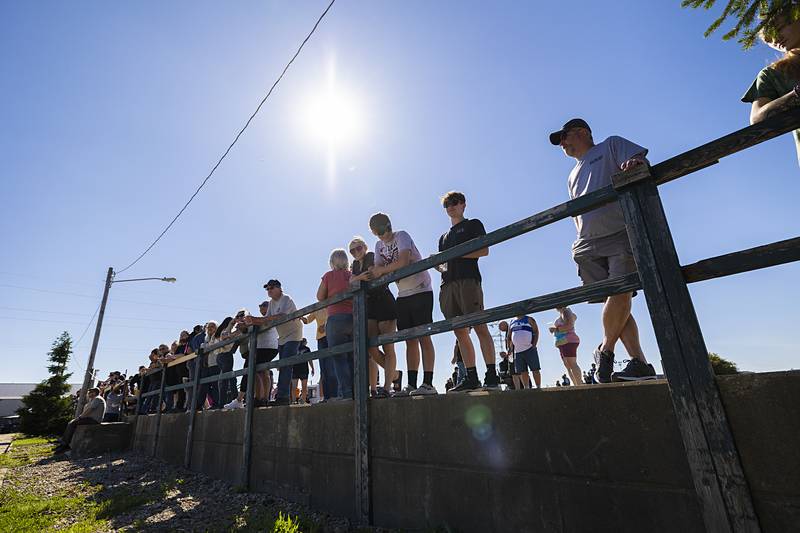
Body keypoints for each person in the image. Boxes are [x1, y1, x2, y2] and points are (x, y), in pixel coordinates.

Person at [549, 117, 656, 383]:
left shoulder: (610, 145)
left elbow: (638, 162)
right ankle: (639, 363)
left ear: (582, 132)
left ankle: (604, 351)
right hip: (587, 242)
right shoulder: (572, 174)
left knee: (620, 292)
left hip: (619, 231)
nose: (562, 143)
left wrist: (635, 164)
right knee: (617, 301)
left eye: (565, 136)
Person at [364, 213, 437, 396]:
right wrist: (382, 270)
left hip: (421, 289)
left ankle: (428, 383)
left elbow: (403, 261)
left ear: (389, 225)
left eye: (383, 230)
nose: (382, 235)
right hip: (402, 294)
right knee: (409, 340)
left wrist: (382, 269)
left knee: (423, 337)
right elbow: (377, 272)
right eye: (377, 232)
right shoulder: (379, 246)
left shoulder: (402, 235)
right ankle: (411, 385)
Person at [437, 191, 499, 392]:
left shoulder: (473, 224)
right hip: (448, 285)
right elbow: (445, 264)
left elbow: (484, 250)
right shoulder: (443, 237)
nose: (451, 207)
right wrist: (438, 265)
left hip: (468, 281)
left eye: (454, 202)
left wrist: (458, 256)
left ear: (463, 204)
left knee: (480, 326)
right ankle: (471, 376)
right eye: (447, 204)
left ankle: (492, 375)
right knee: (459, 331)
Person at [742, 14, 800, 165]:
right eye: (768, 40)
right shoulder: (772, 74)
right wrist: (796, 94)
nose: (775, 40)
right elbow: (757, 119)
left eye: (779, 29)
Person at [349, 236, 401, 398]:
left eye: (358, 248)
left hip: (384, 301)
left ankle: (386, 388)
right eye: (352, 250)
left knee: (387, 346)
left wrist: (358, 278)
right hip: (369, 306)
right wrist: (358, 278)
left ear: (365, 247)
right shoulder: (355, 265)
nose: (356, 252)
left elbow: (372, 274)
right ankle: (395, 375)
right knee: (371, 347)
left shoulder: (372, 256)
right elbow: (351, 281)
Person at [244, 280, 303, 406]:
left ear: (279, 288)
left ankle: (283, 397)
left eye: (271, 288)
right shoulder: (271, 303)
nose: (269, 291)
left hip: (293, 335)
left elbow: (280, 316)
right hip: (281, 337)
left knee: (286, 365)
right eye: (267, 289)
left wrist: (256, 320)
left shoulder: (286, 299)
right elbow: (267, 321)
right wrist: (251, 322)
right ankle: (281, 397)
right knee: (282, 366)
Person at [317, 249, 355, 401]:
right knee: (353, 356)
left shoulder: (328, 276)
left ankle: (345, 394)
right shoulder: (352, 275)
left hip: (335, 319)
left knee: (339, 358)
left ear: (332, 262)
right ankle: (356, 391)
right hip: (353, 318)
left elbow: (320, 297)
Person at [55, 387, 105, 453]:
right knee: (72, 423)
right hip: (90, 419)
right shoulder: (94, 399)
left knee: (72, 424)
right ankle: (64, 442)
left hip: (93, 420)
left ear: (94, 393)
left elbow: (90, 410)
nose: (88, 394)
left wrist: (80, 417)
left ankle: (65, 445)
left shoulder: (97, 399)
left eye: (90, 392)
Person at [302, 308, 334, 400]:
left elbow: (335, 314)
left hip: (331, 334)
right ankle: (326, 397)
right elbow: (307, 320)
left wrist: (326, 325)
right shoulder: (317, 307)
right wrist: (300, 317)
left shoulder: (330, 302)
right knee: (323, 369)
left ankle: (334, 395)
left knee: (331, 367)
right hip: (320, 339)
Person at [549, 306, 582, 388]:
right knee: (568, 366)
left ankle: (579, 386)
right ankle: (576, 386)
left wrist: (555, 329)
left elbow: (569, 325)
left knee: (572, 364)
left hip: (568, 341)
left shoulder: (565, 311)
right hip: (562, 343)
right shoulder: (564, 313)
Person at [507, 315, 541, 389]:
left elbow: (536, 331)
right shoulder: (512, 322)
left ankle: (538, 387)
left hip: (529, 349)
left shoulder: (529, 319)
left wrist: (534, 344)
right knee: (523, 371)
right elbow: (509, 336)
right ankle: (526, 387)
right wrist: (509, 348)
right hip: (517, 351)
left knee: (535, 369)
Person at [291, 338, 315, 404]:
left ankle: (293, 401)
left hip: (295, 369)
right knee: (304, 387)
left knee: (294, 387)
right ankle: (303, 401)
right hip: (304, 370)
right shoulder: (307, 349)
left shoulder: (295, 348)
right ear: (305, 342)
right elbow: (310, 359)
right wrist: (312, 368)